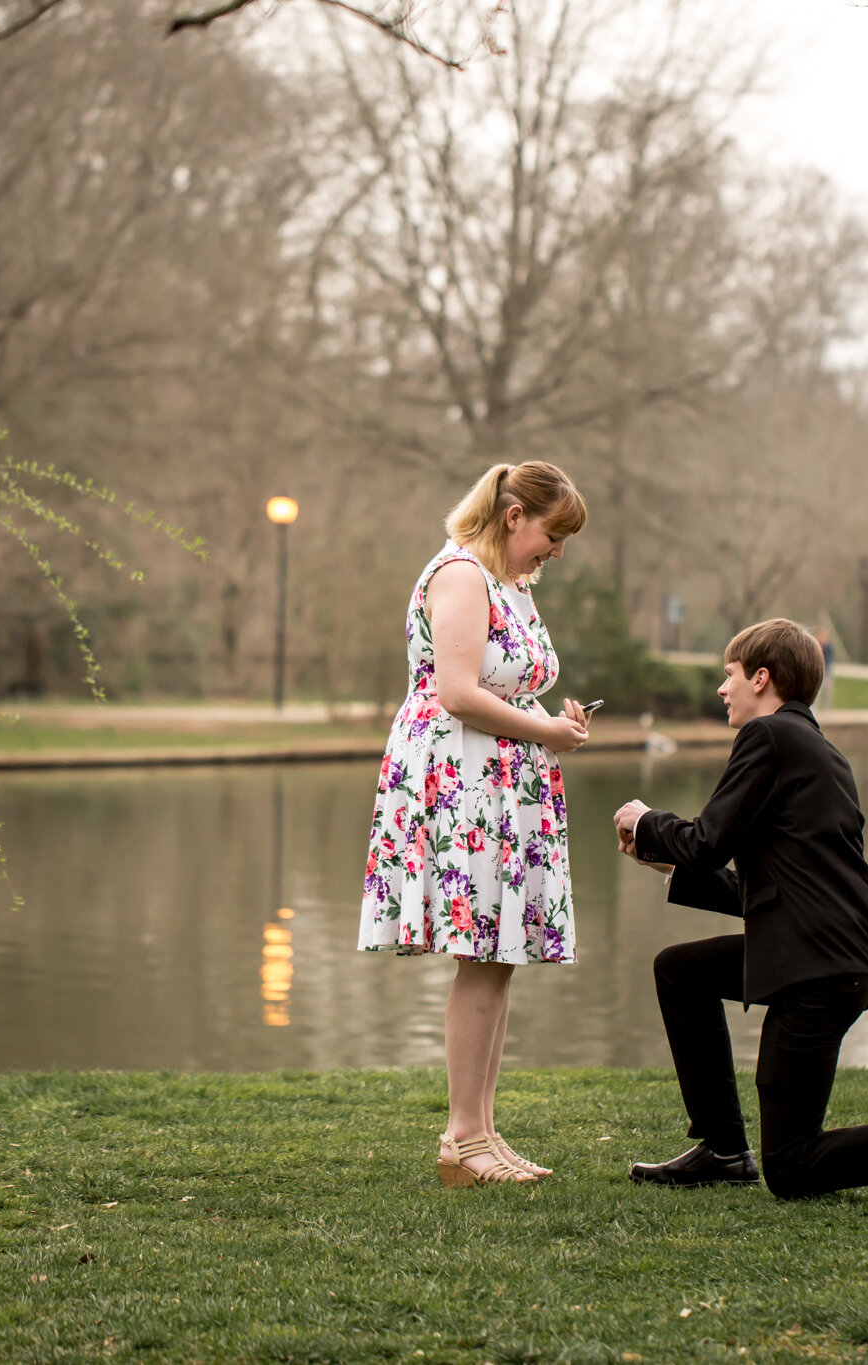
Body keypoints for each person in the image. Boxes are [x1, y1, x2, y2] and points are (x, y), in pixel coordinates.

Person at [613, 618, 868, 1203]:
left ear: (762, 678)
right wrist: (669, 866)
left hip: (823, 966)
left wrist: (646, 821)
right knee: (681, 970)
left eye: (728, 677)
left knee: (793, 1166)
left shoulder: (769, 739)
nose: (721, 691)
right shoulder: (818, 752)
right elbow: (775, 892)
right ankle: (723, 1148)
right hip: (833, 951)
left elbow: (708, 839)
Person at [356, 461, 593, 1186]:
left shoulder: (512, 584)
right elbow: (456, 692)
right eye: (552, 535)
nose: (555, 552)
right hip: (459, 779)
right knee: (481, 951)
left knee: (499, 953)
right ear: (514, 514)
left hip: (504, 778)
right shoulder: (459, 575)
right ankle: (463, 1138)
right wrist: (542, 730)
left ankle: (482, 1131)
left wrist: (553, 725)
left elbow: (506, 683)